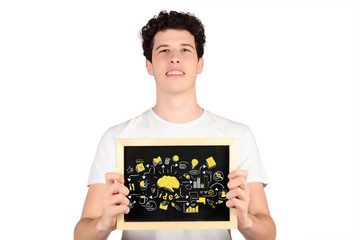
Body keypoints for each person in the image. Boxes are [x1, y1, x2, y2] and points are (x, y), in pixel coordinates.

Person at [74, 10, 276, 240]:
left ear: (200, 64)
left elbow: (268, 233)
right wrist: (104, 224)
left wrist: (245, 220)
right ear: (149, 65)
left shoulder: (238, 135)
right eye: (164, 50)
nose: (175, 58)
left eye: (185, 49)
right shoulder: (117, 137)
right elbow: (82, 233)